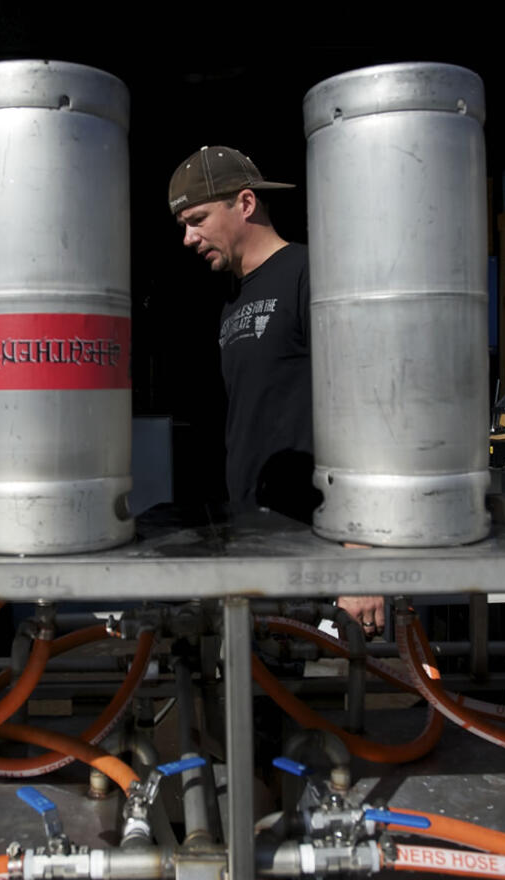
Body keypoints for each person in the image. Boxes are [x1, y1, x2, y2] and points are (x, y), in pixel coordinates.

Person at [168, 145, 384, 635]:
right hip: (252, 534)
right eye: (182, 225)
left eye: (197, 219)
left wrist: (361, 558)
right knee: (253, 694)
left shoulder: (311, 275)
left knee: (303, 700)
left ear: (245, 204)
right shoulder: (231, 300)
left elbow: (363, 410)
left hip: (311, 538)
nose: (187, 238)